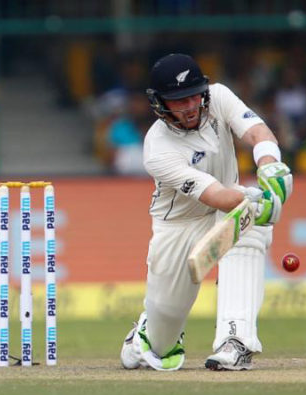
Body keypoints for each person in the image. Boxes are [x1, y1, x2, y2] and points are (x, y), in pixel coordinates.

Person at [120, 54, 293, 371]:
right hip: (178, 227)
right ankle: (147, 333)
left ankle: (236, 341)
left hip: (229, 207)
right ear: (160, 104)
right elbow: (215, 194)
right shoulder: (157, 148)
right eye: (177, 101)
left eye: (193, 96)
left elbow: (258, 133)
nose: (188, 106)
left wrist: (272, 168)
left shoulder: (220, 97)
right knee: (161, 345)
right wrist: (263, 200)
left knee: (248, 220)